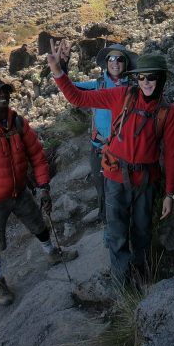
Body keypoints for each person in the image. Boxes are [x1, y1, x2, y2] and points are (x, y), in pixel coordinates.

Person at [47, 42, 174, 287]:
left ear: (161, 79)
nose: (146, 82)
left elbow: (171, 154)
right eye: (142, 77)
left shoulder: (168, 112)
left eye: (152, 77)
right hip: (116, 177)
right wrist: (58, 71)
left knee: (142, 232)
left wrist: (170, 193)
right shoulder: (122, 95)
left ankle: (140, 273)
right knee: (117, 235)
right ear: (136, 78)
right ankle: (122, 285)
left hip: (146, 182)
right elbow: (78, 97)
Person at [0, 77, 78, 306]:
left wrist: (44, 188)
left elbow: (37, 157)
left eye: (6, 92)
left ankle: (51, 253)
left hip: (19, 191)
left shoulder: (18, 123)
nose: (4, 96)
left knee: (38, 224)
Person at [73, 43, 138, 221]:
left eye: (120, 59)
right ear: (106, 62)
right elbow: (71, 89)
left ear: (126, 63)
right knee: (101, 186)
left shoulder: (134, 87)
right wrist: (61, 67)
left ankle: (125, 222)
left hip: (123, 150)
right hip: (99, 146)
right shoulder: (97, 85)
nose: (115, 62)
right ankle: (106, 222)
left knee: (124, 188)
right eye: (111, 58)